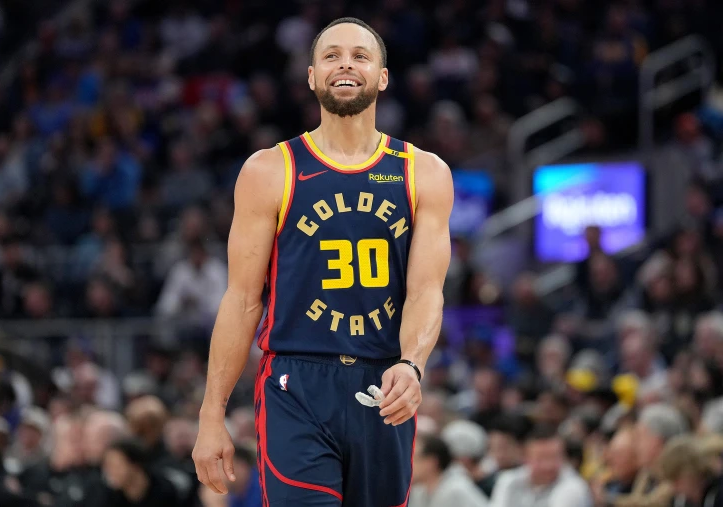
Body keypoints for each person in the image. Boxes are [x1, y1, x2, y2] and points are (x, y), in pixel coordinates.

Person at [192, 16, 454, 507]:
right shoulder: (270, 169)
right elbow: (243, 300)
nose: (345, 65)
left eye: (360, 56)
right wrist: (211, 414)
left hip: (383, 381)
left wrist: (412, 365)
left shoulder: (424, 172)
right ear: (312, 77)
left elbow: (425, 291)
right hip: (296, 382)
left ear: (382, 77)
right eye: (331, 56)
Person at [490, 425, 592, 507]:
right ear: (526, 458)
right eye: (541, 459)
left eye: (554, 457)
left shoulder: (574, 486)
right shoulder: (509, 480)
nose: (548, 465)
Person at [409, 435, 489, 507]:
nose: (408, 464)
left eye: (414, 459)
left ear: (432, 462)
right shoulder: (419, 490)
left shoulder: (455, 490)